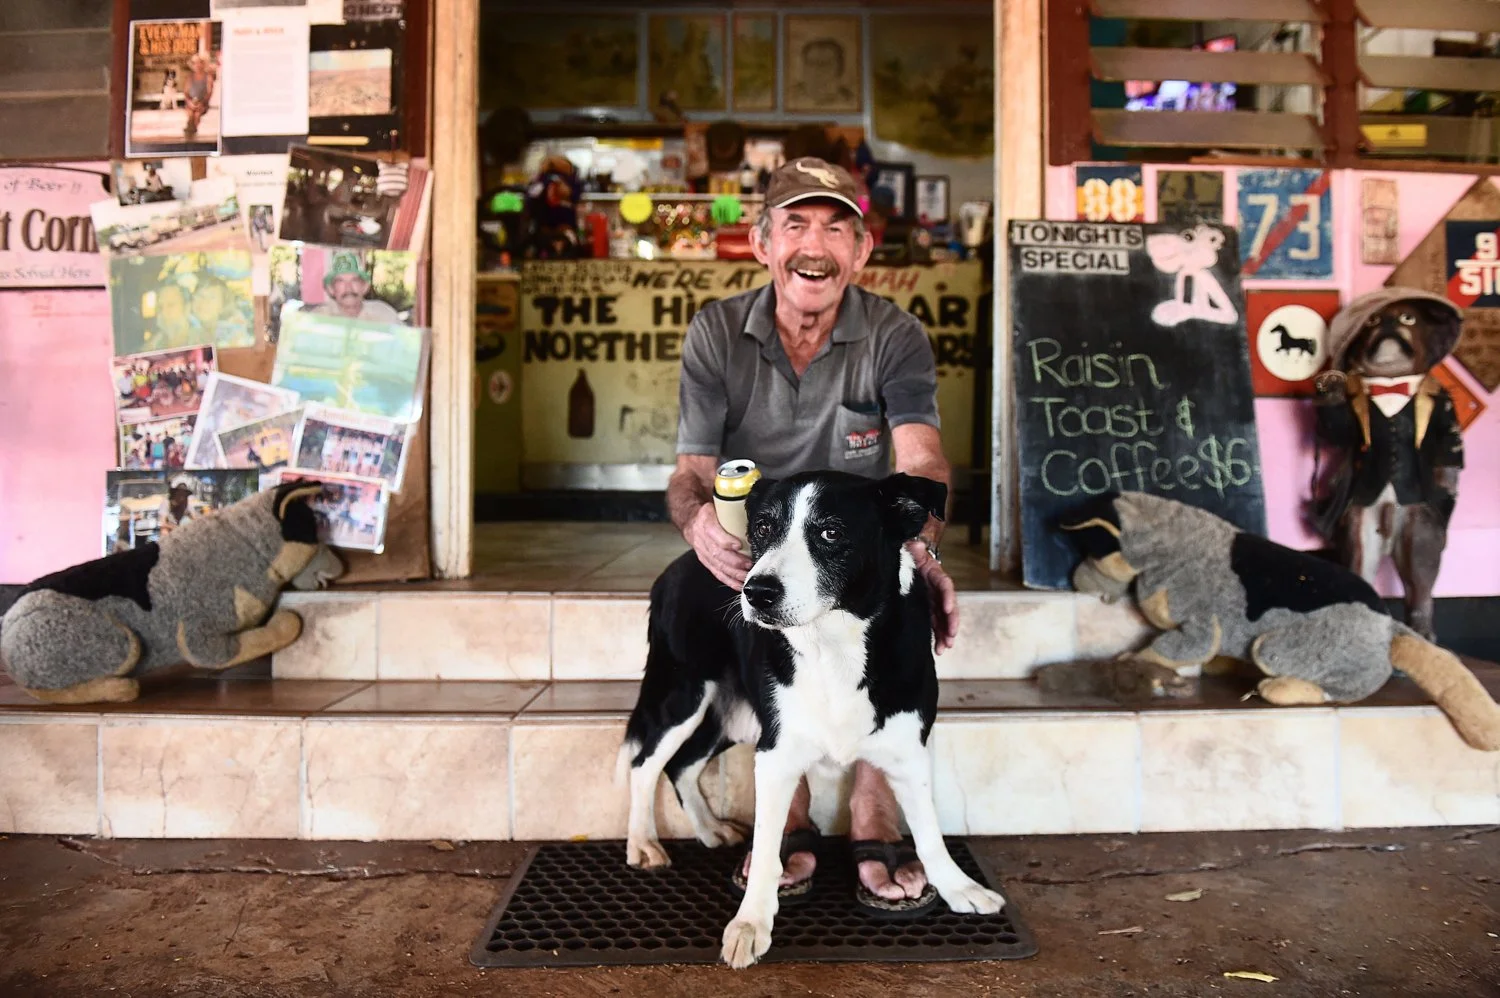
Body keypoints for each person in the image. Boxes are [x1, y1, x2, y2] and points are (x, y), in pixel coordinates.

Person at [668, 156, 957, 912]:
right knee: (758, 602)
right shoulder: (716, 331)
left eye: (836, 228)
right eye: (795, 224)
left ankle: (874, 806)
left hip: (854, 537)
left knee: (900, 603)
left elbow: (920, 455)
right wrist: (701, 524)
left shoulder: (895, 334)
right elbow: (690, 472)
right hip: (760, 533)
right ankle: (786, 805)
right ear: (762, 242)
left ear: (861, 253)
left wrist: (922, 548)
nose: (814, 246)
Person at [308, 253, 402, 322]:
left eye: (354, 280)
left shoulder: (384, 314)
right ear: (331, 289)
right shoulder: (318, 317)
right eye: (340, 281)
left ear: (365, 286)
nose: (348, 288)